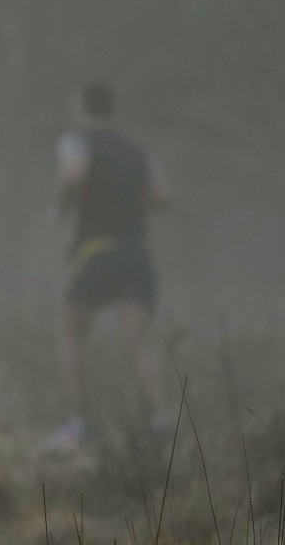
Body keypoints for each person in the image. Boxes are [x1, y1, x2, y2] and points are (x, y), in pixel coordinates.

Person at [53, 82, 171, 444]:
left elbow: (73, 174)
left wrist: (60, 206)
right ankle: (163, 421)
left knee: (72, 333)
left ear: (81, 107)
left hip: (95, 251)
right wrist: (130, 208)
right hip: (135, 253)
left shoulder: (77, 141)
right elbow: (164, 198)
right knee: (137, 341)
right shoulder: (138, 150)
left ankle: (79, 422)